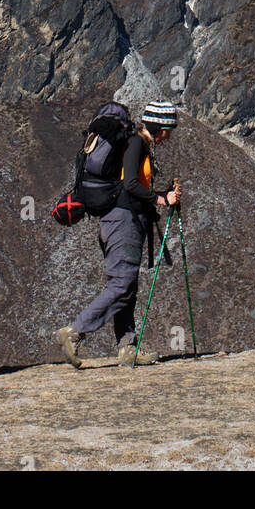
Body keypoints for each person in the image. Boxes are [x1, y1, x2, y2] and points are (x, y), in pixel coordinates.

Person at [56, 99, 181, 369]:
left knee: (127, 285)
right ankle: (75, 331)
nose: (169, 136)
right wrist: (160, 200)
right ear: (160, 127)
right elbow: (131, 185)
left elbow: (133, 186)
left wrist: (162, 196)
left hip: (120, 220)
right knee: (122, 284)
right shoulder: (136, 143)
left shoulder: (137, 143)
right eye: (169, 129)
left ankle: (127, 348)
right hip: (123, 221)